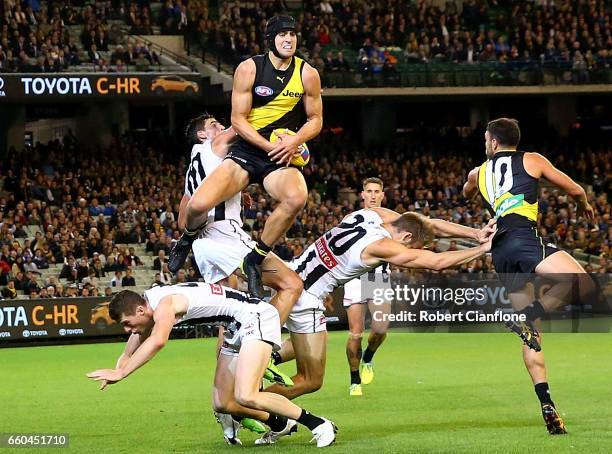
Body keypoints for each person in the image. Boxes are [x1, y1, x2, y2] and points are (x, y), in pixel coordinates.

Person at [260, 208, 494, 409]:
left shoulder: (366, 215)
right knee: (310, 380)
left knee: (312, 341)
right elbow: (436, 262)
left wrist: (475, 233)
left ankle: (263, 360)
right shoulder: (382, 246)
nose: (413, 252)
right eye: (416, 247)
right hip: (306, 299)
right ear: (407, 237)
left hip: (288, 275)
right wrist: (482, 249)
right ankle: (248, 402)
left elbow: (427, 223)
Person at [169, 15, 323, 301]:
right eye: (282, 35)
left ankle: (255, 257)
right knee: (199, 204)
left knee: (297, 197)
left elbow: (315, 119)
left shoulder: (307, 73)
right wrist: (268, 146)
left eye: (292, 34)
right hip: (251, 148)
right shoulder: (249, 68)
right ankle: (187, 239)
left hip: (280, 152)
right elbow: (238, 121)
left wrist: (295, 140)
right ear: (270, 40)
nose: (288, 39)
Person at [463, 117, 596, 435]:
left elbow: (467, 192)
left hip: (501, 253)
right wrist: (583, 203)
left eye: (486, 139)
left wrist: (486, 196)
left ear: (493, 142)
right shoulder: (532, 159)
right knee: (584, 284)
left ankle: (546, 403)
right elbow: (573, 188)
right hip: (524, 237)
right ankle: (531, 315)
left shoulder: (477, 172)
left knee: (532, 336)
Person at [86, 284, 337, 448]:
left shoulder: (164, 305)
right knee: (223, 403)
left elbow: (158, 340)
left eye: (128, 323)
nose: (129, 330)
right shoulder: (150, 301)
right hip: (234, 327)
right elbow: (137, 335)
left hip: (255, 317)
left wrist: (122, 373)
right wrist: (122, 361)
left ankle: (319, 424)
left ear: (141, 310)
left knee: (246, 394)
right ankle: (281, 424)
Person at [179, 114, 303, 324]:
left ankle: (231, 350)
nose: (221, 126)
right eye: (214, 125)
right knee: (292, 284)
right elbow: (243, 125)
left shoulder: (194, 167)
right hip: (225, 235)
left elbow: (183, 221)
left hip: (202, 246)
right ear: (202, 134)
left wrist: (232, 195)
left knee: (229, 313)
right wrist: (289, 141)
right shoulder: (215, 144)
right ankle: (257, 340)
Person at [340, 177, 390, 395]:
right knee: (356, 333)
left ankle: (368, 357)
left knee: (380, 329)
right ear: (362, 195)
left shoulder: (390, 220)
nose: (372, 195)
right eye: (368, 191)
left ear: (382, 195)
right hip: (354, 277)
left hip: (378, 278)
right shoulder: (350, 219)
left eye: (376, 191)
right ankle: (354, 380)